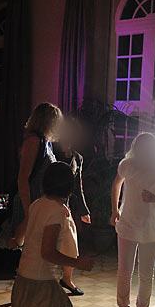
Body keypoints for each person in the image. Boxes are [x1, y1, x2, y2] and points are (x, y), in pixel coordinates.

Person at [12, 162, 94, 307]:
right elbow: (47, 252)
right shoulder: (56, 211)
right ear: (69, 187)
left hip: (26, 277)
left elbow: (26, 238)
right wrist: (79, 263)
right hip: (41, 281)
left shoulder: (38, 204)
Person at [110, 133, 155, 307]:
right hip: (128, 222)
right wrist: (114, 210)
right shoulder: (127, 165)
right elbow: (116, 185)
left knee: (146, 273)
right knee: (124, 271)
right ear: (136, 147)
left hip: (151, 226)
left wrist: (154, 198)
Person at [0, 103, 63, 250]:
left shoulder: (46, 142)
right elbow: (23, 178)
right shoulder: (33, 141)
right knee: (22, 244)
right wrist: (29, 210)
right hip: (30, 198)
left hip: (40, 198)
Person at [54, 117, 91, 296]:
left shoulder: (78, 158)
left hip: (66, 206)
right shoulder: (51, 151)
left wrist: (84, 210)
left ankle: (67, 279)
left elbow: (78, 186)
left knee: (70, 243)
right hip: (49, 203)